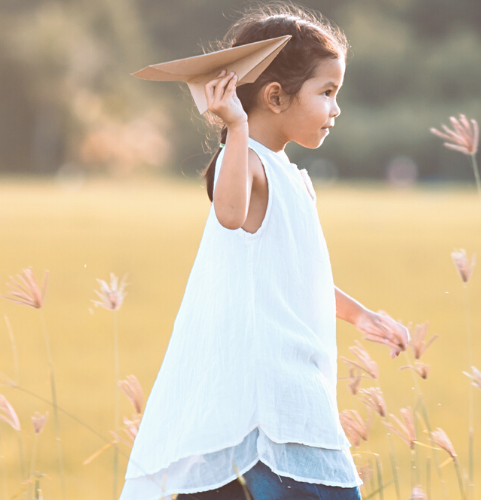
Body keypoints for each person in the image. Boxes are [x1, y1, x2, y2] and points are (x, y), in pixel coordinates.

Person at [120, 3, 409, 499]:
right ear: (275, 96)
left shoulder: (291, 176)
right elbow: (229, 212)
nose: (336, 109)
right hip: (260, 404)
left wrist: (360, 316)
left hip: (294, 389)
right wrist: (235, 128)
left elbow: (295, 273)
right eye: (327, 93)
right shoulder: (247, 163)